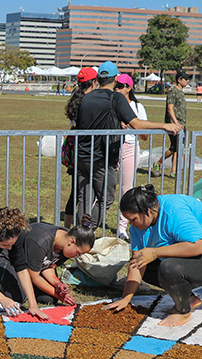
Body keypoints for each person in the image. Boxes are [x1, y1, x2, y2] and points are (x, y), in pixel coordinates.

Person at [107, 185, 202, 327]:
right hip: (190, 257)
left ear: (147, 211)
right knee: (144, 265)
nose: (130, 224)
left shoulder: (174, 211)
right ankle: (189, 299)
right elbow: (137, 262)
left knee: (168, 267)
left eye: (133, 219)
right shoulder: (136, 228)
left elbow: (199, 246)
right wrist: (126, 298)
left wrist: (154, 252)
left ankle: (182, 311)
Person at [69, 62, 181, 228]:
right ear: (114, 79)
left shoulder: (86, 98)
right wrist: (164, 125)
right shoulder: (116, 98)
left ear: (98, 79)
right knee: (106, 199)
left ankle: (81, 234)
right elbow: (136, 123)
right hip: (102, 159)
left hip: (82, 157)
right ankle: (84, 232)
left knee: (84, 200)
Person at [0, 217, 95, 307]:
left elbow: (48, 266)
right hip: (11, 262)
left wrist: (57, 284)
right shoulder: (41, 241)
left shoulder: (66, 245)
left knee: (49, 299)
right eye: (78, 253)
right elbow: (34, 277)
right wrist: (59, 295)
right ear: (72, 241)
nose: (77, 256)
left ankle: (28, 289)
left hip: (33, 268)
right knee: (17, 297)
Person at [61, 66, 99, 226]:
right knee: (82, 192)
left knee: (75, 192)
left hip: (75, 149)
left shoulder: (75, 99)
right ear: (94, 82)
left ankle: (67, 227)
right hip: (86, 151)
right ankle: (78, 227)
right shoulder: (89, 102)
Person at [114, 73, 148, 240]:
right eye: (116, 85)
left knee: (126, 189)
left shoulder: (137, 107)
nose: (118, 89)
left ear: (129, 88)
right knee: (105, 187)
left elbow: (145, 136)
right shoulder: (112, 102)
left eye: (121, 86)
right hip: (112, 148)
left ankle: (122, 228)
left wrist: (131, 126)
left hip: (130, 148)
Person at [154, 72, 190, 177]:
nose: (187, 81)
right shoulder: (172, 91)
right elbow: (170, 109)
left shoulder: (181, 93)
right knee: (174, 147)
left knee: (178, 148)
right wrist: (176, 123)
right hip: (173, 125)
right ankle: (158, 163)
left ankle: (174, 171)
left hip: (181, 124)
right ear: (179, 80)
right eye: (185, 79)